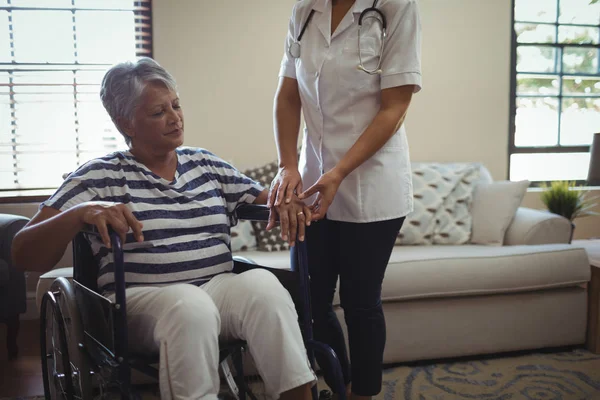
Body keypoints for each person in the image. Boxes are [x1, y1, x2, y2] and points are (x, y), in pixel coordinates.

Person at [12, 57, 316, 400]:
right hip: (138, 302)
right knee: (189, 305)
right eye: (158, 112)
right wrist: (80, 212)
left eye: (176, 105)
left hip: (216, 286)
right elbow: (23, 252)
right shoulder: (99, 175)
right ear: (125, 122)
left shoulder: (205, 163)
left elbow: (268, 200)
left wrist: (287, 200)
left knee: (264, 286)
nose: (175, 118)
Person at [268, 0, 422, 399]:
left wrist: (338, 172)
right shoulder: (305, 11)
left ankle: (363, 395)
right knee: (308, 303)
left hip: (372, 183)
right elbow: (288, 95)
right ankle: (344, 385)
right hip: (313, 185)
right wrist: (288, 166)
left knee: (359, 302)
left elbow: (396, 106)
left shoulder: (395, 6)